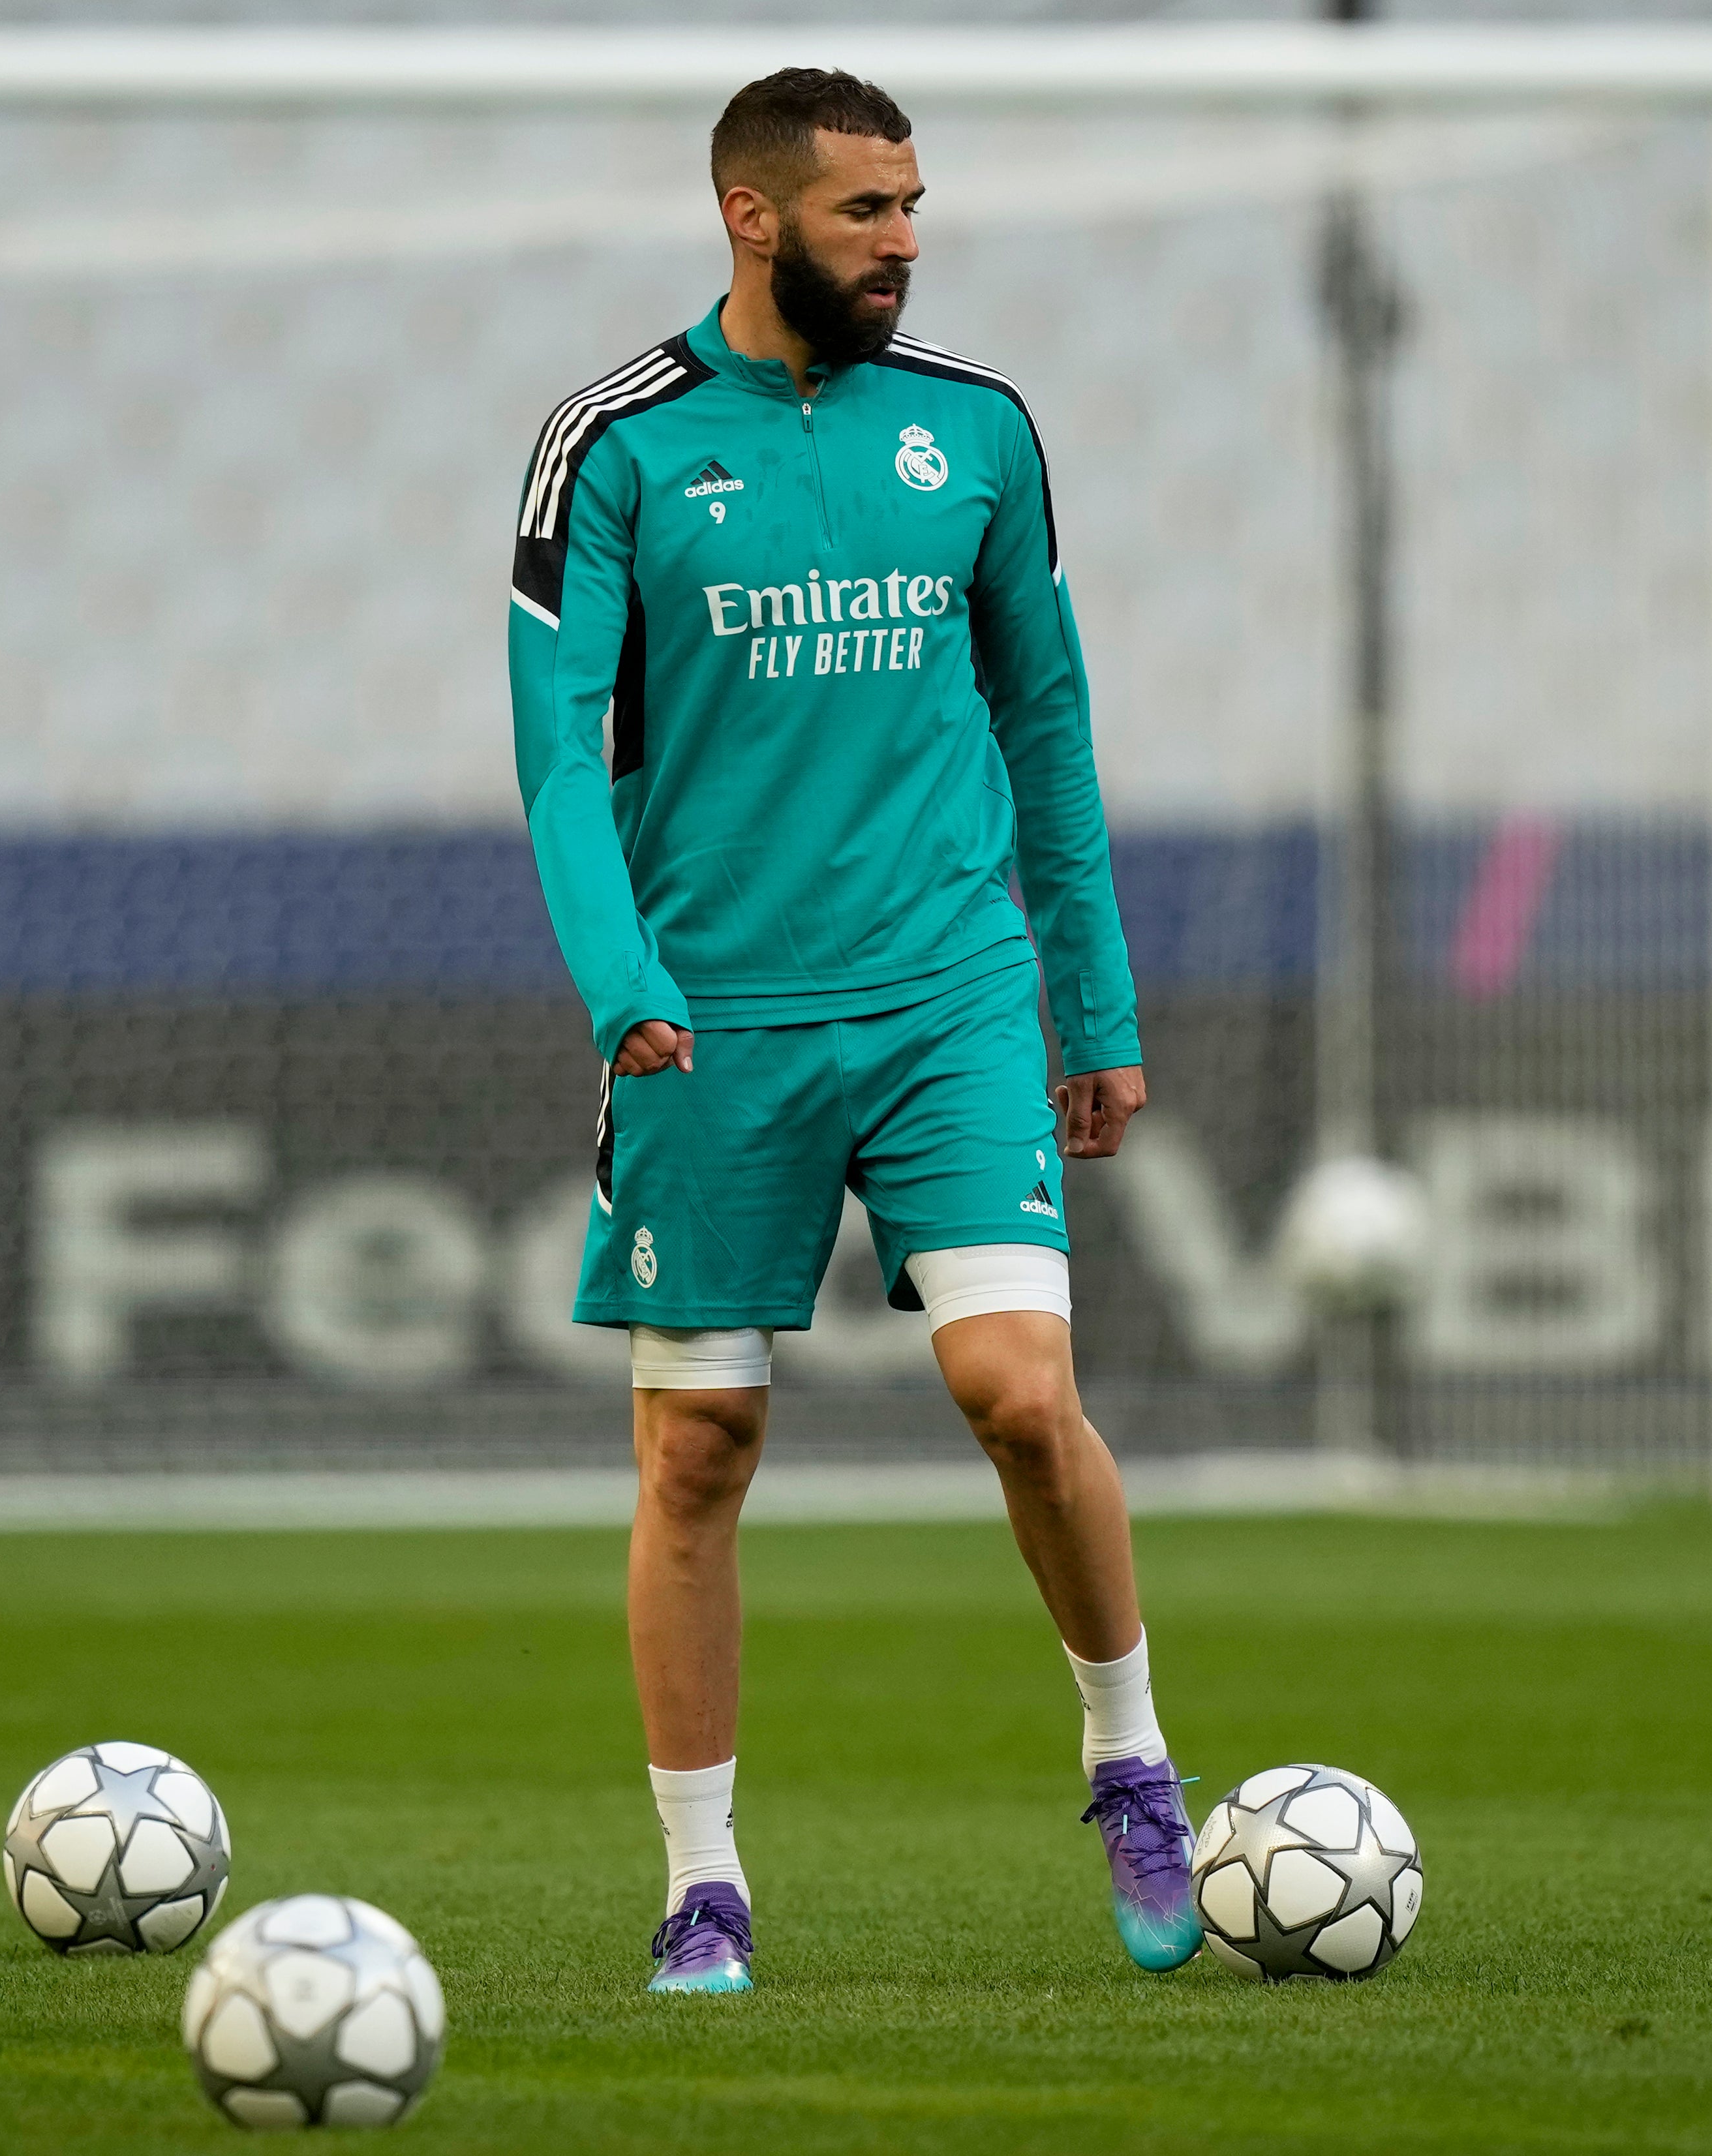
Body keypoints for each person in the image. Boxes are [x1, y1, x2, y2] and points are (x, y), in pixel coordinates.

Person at [508, 67, 1195, 1996]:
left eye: (913, 204)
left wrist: (1097, 999)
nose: (905, 241)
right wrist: (624, 975)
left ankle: (1132, 1757)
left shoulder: (975, 431)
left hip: (947, 990)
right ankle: (701, 1881)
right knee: (701, 1448)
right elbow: (561, 757)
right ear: (752, 215)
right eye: (866, 211)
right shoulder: (613, 445)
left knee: (1016, 1389)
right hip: (712, 1015)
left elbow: (1045, 722)